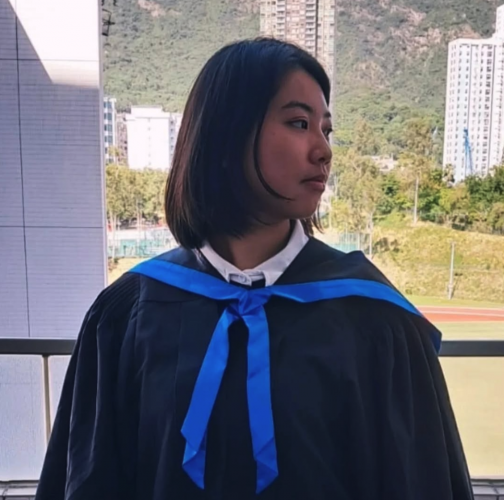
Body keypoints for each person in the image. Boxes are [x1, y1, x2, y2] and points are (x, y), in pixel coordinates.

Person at [35, 38, 474, 500]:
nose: (323, 151)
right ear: (226, 136)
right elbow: (89, 482)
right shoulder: (129, 315)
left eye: (326, 130)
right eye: (299, 123)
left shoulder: (375, 318)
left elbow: (420, 482)